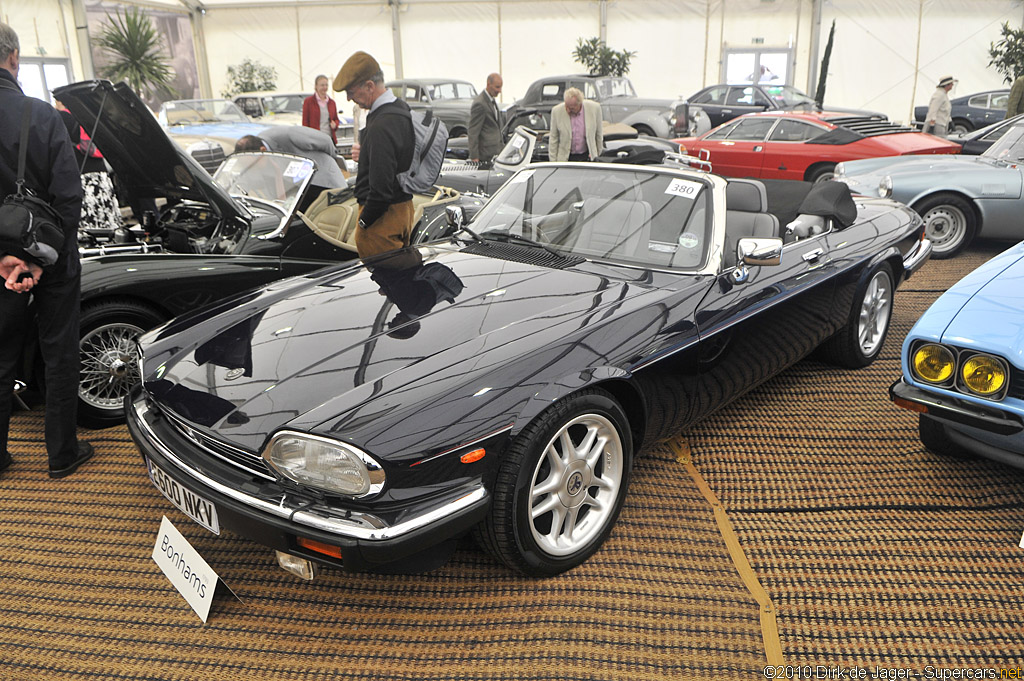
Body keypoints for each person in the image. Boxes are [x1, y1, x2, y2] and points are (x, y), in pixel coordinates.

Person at [0, 22, 93, 479]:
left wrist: (5, 261)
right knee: (60, 352)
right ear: (14, 57)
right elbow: (68, 197)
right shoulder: (41, 114)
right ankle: (62, 453)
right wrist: (38, 260)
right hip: (50, 256)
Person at [333, 51, 414, 259]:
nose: (350, 99)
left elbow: (380, 189)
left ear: (370, 86)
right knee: (398, 282)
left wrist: (363, 223)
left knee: (391, 279)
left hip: (383, 218)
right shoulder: (400, 109)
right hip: (403, 209)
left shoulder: (381, 123)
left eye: (351, 92)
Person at [234, 125, 346, 209]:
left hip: (322, 179)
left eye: (253, 165)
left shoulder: (288, 135)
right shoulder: (257, 152)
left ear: (263, 150)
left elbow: (325, 141)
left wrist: (332, 161)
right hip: (298, 188)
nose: (254, 169)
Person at [55, 99, 122, 234]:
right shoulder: (87, 117)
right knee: (105, 214)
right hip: (100, 173)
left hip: (83, 174)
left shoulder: (63, 117)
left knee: (89, 221)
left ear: (59, 102)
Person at [548, 87, 604, 162]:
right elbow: (553, 138)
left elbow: (599, 135)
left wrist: (598, 156)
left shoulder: (595, 108)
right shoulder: (556, 111)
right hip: (566, 159)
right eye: (566, 106)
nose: (567, 110)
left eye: (571, 108)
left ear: (579, 104)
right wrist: (553, 162)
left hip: (587, 157)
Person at [468, 73, 503, 163]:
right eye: (497, 87)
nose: (499, 91)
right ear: (488, 85)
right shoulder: (480, 104)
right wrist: (474, 157)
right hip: (485, 156)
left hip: (495, 154)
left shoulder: (492, 100)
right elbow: (473, 132)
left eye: (500, 87)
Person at [302, 75, 341, 144]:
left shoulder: (332, 103)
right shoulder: (308, 102)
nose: (325, 87)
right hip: (315, 139)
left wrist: (335, 125)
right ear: (316, 86)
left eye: (326, 85)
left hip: (329, 138)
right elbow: (305, 122)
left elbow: (336, 119)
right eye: (322, 85)